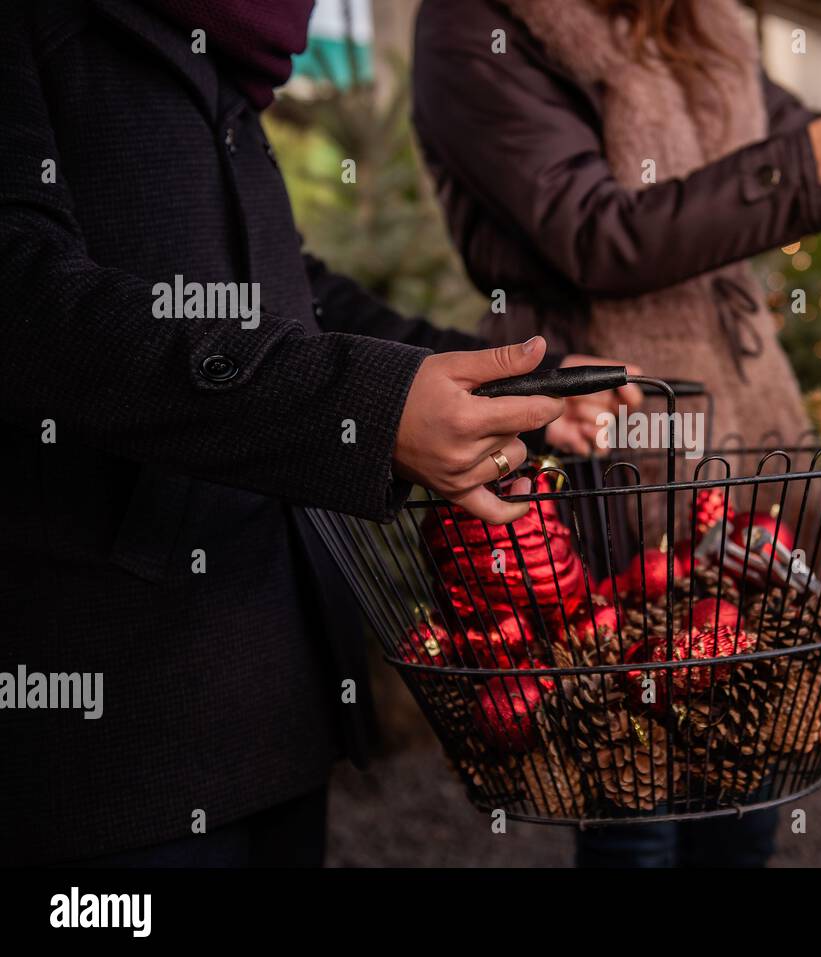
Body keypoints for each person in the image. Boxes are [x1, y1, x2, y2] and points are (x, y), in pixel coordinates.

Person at [0, 0, 635, 866]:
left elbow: (289, 293)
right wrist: (367, 411)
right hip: (112, 733)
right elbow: (28, 306)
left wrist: (514, 388)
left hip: (274, 691)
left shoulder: (223, 53)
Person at [411, 0, 821, 867]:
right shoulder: (480, 26)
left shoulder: (698, 24)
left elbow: (803, 149)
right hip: (611, 434)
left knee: (749, 762)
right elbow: (598, 233)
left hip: (741, 431)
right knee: (638, 793)